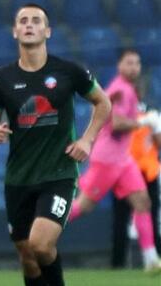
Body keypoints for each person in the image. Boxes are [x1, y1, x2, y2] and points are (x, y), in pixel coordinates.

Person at [0, 4, 111, 286]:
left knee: (41, 244)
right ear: (14, 32)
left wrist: (86, 140)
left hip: (59, 173)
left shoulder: (69, 72)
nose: (28, 25)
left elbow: (103, 103)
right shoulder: (2, 79)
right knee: (27, 257)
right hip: (18, 179)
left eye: (35, 21)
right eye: (22, 21)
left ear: (47, 31)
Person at [68, 49, 161, 272]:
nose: (134, 67)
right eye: (129, 63)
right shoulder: (119, 89)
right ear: (119, 66)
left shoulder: (127, 89)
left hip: (123, 159)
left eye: (137, 63)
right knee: (83, 206)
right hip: (107, 159)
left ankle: (150, 260)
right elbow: (117, 124)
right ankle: (37, 230)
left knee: (142, 201)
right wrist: (144, 121)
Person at [112, 107, 161, 267]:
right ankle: (118, 263)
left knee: (148, 216)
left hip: (143, 172)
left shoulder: (149, 113)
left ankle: (153, 258)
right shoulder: (121, 113)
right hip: (126, 171)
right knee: (123, 219)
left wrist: (155, 126)